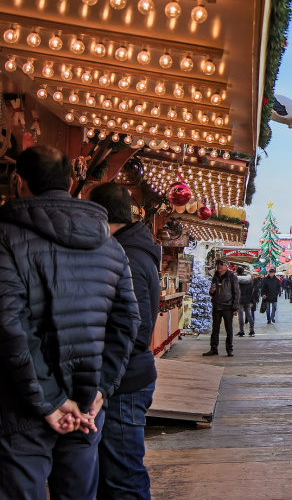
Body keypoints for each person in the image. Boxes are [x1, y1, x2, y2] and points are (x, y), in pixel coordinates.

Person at [0, 146, 140, 500]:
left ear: (19, 181)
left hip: (22, 404)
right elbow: (127, 321)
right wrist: (101, 389)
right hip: (86, 401)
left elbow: (11, 326)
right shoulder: (111, 246)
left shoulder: (5, 236)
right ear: (71, 181)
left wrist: (48, 401)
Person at [89, 182, 162, 499]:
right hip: (127, 377)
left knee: (123, 478)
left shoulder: (127, 257)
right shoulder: (134, 249)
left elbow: (135, 331)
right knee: (116, 473)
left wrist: (103, 385)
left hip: (124, 382)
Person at [203, 260, 240, 357]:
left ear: (226, 266)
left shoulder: (231, 277)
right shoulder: (215, 276)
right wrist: (211, 292)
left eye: (221, 264)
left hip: (227, 306)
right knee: (215, 328)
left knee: (229, 329)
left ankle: (229, 349)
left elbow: (236, 292)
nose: (219, 266)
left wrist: (235, 307)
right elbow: (212, 291)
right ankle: (213, 349)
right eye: (218, 264)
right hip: (217, 305)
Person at [236, 266, 256, 337]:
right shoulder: (249, 280)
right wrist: (252, 300)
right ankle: (252, 330)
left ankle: (242, 331)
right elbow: (252, 291)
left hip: (240, 300)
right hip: (248, 300)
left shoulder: (237, 280)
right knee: (249, 315)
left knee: (240, 316)